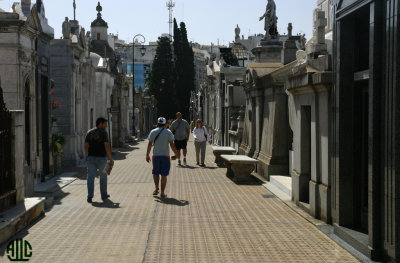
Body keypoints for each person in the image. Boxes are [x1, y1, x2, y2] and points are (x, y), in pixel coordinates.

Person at [146, 117, 179, 198]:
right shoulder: (168, 132)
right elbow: (171, 144)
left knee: (156, 172)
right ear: (165, 124)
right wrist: (176, 154)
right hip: (165, 156)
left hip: (155, 155)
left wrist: (147, 155)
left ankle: (156, 188)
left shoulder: (153, 131)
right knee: (164, 174)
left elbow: (150, 144)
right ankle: (162, 193)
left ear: (157, 123)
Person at [84, 117, 114, 203]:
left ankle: (90, 196)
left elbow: (86, 145)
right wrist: (110, 158)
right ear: (100, 123)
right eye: (105, 124)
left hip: (90, 158)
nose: (106, 125)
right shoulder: (104, 133)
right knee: (103, 177)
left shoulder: (89, 132)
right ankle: (103, 195)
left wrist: (87, 155)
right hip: (102, 158)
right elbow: (107, 146)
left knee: (90, 177)